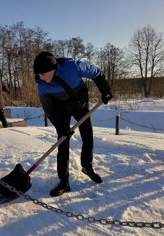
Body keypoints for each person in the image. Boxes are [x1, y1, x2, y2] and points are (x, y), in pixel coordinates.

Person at [33, 51, 112, 197]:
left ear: (53, 68)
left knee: (87, 135)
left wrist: (105, 89)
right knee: (63, 141)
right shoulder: (42, 85)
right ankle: (64, 181)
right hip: (60, 110)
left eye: (44, 74)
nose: (41, 78)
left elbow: (95, 72)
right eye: (38, 74)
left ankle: (87, 167)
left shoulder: (72, 67)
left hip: (79, 104)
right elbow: (49, 110)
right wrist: (61, 128)